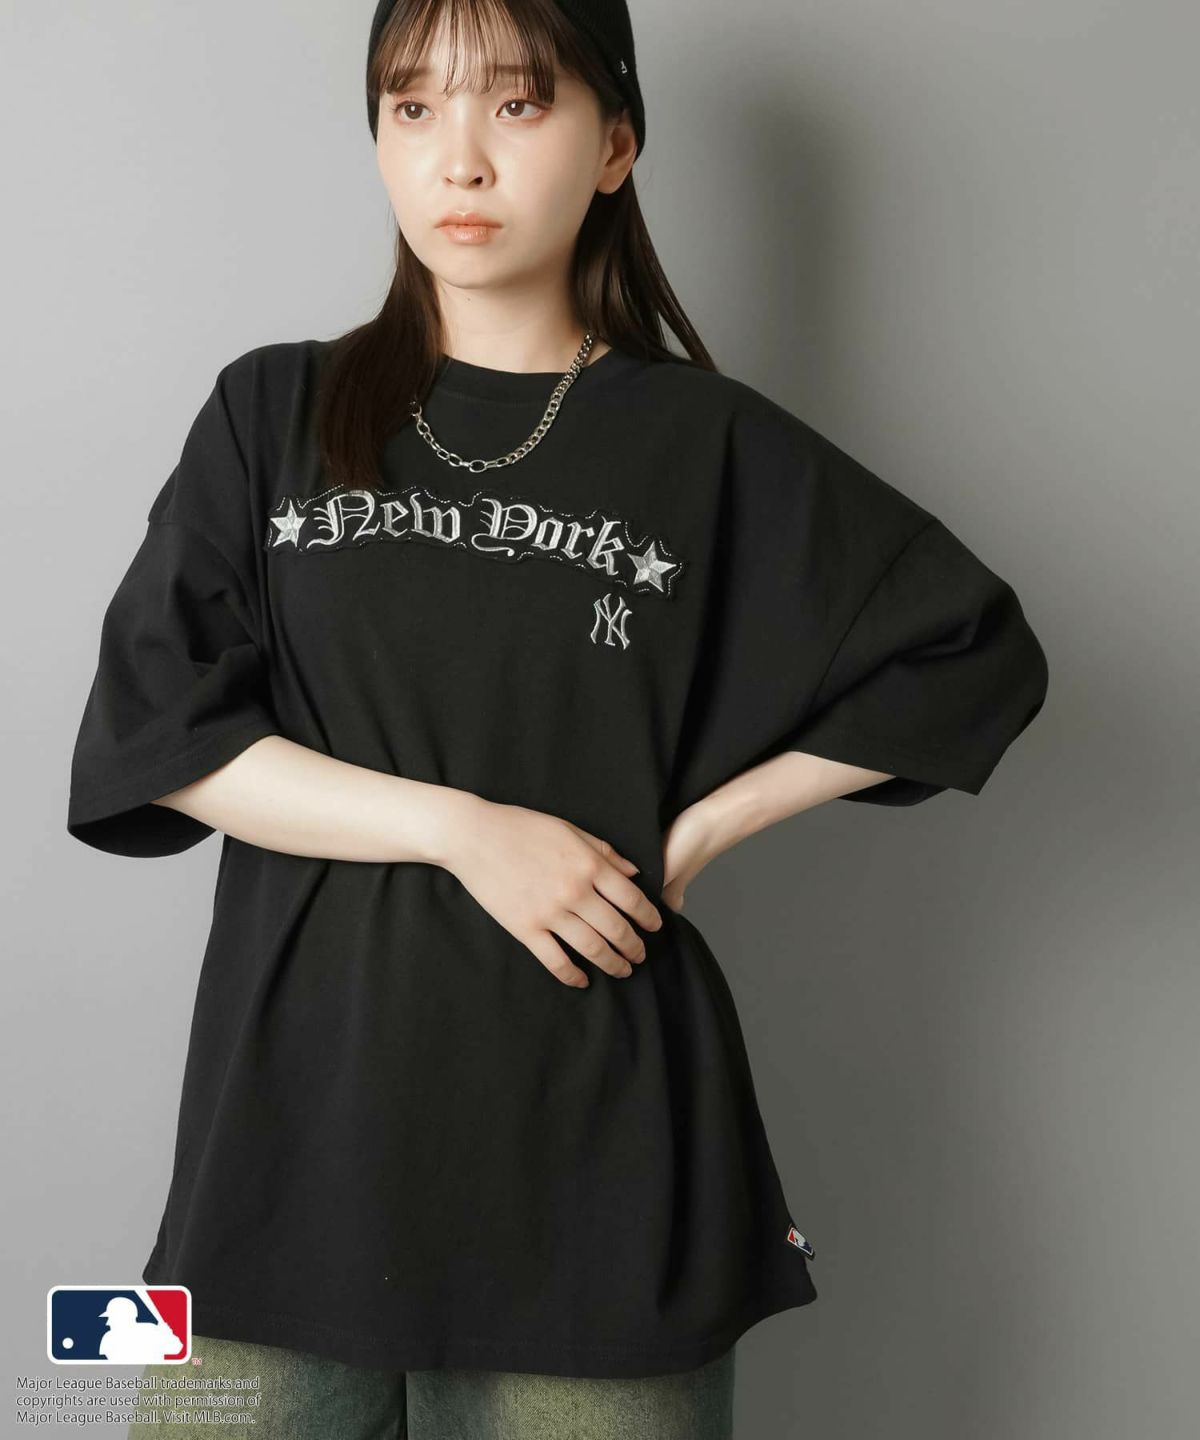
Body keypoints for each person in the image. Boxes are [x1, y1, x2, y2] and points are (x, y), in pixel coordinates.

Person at [67, 1, 1050, 1436]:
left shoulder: (704, 444)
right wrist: (466, 831)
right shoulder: (271, 411)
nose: (458, 158)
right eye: (414, 107)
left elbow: (973, 649)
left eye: (517, 106)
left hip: (593, 1159)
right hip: (281, 1152)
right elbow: (161, 729)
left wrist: (697, 831)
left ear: (615, 145)